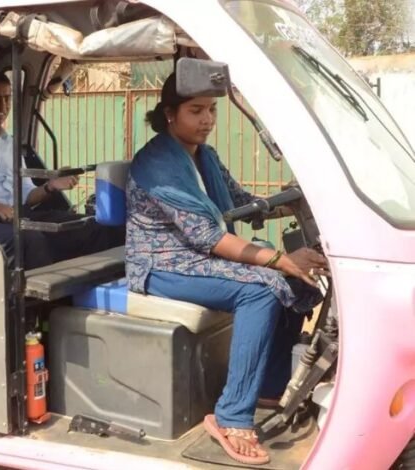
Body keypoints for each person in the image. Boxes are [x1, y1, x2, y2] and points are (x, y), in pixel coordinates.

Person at [126, 71, 327, 465]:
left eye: (212, 110)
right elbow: (208, 236)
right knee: (263, 286)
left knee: (295, 281)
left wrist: (294, 199)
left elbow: (240, 201)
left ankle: (268, 385)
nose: (206, 120)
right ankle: (231, 415)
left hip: (197, 259)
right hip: (160, 264)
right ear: (170, 114)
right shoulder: (156, 163)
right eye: (195, 110)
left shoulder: (206, 156)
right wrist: (280, 258)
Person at [0, 71, 124, 269]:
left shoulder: (12, 144)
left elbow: (27, 194)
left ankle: (95, 289)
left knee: (91, 226)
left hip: (22, 213)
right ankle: (45, 301)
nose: (2, 106)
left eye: (7, 98)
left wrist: (51, 186)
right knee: (33, 239)